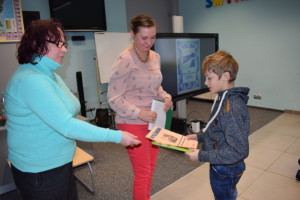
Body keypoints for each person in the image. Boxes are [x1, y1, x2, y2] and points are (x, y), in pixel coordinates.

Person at [4, 19, 140, 200]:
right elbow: (67, 125)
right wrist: (117, 136)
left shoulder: (49, 75)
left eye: (64, 43)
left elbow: (68, 113)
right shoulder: (31, 80)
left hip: (60, 162)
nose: (65, 49)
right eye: (58, 43)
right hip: (40, 170)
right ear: (37, 45)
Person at [107, 14, 173, 200]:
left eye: (152, 37)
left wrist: (165, 97)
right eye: (144, 37)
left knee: (150, 169)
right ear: (132, 34)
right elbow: (113, 98)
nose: (149, 42)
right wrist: (139, 113)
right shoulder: (124, 59)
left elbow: (156, 86)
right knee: (142, 173)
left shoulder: (155, 56)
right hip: (131, 121)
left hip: (154, 120)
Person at [185, 50, 250, 200]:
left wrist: (201, 155)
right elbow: (216, 128)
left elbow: (238, 151)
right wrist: (198, 136)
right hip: (221, 163)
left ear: (225, 76)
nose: (205, 83)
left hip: (226, 168)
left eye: (209, 78)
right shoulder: (223, 98)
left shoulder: (231, 107)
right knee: (228, 194)